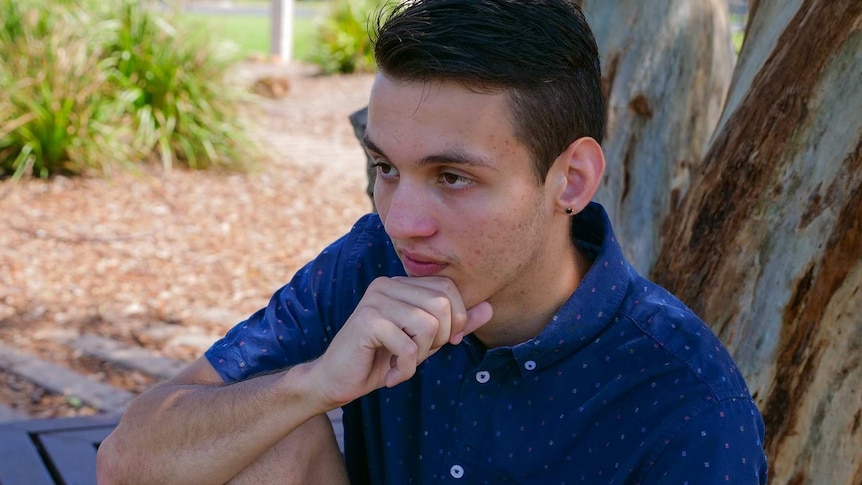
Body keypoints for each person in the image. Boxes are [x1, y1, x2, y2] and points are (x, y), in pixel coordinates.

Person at [97, 0, 769, 483]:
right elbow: (127, 459)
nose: (401, 220)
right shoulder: (372, 265)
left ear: (571, 179)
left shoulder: (690, 404)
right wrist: (315, 384)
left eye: (453, 176)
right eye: (386, 167)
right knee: (263, 437)